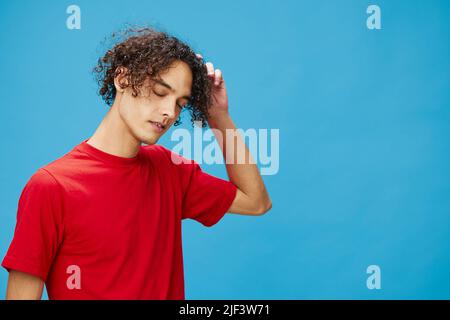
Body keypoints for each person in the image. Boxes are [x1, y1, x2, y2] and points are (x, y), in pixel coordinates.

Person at [2, 26, 272, 300]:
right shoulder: (52, 187)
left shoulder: (170, 170)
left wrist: (218, 117)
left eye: (180, 103)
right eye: (159, 91)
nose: (169, 112)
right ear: (122, 78)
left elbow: (256, 201)